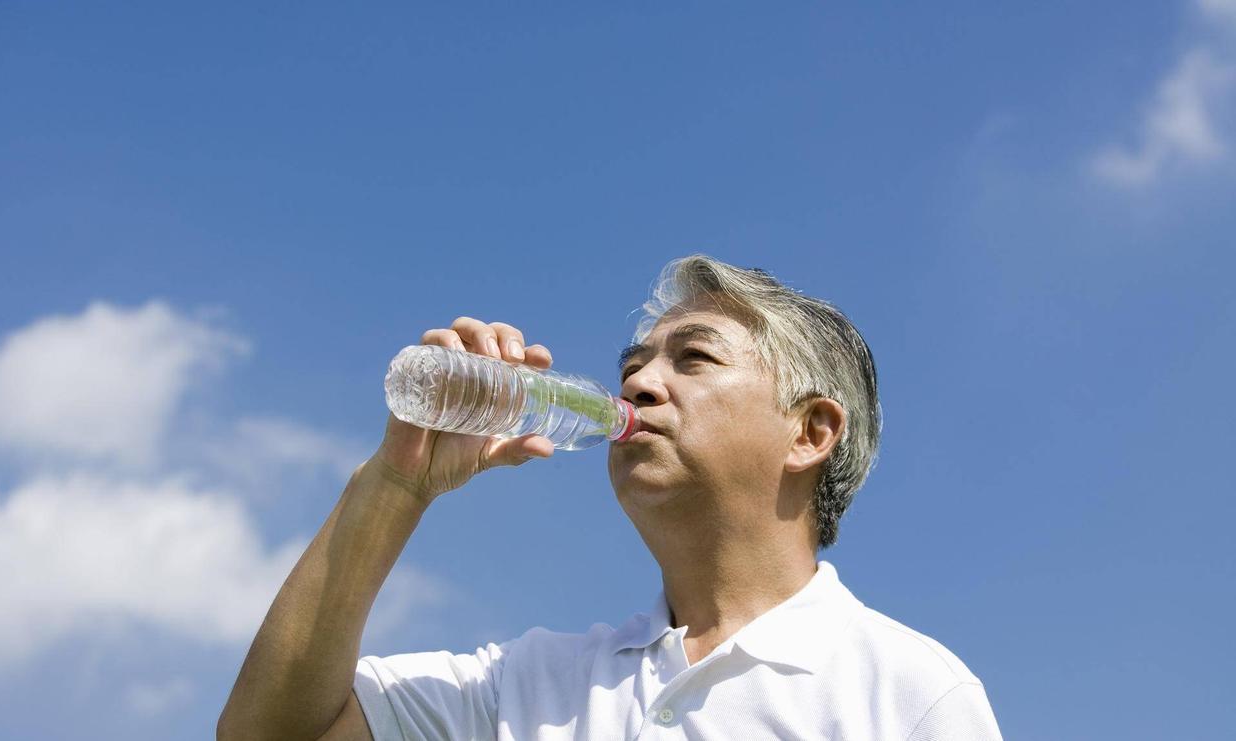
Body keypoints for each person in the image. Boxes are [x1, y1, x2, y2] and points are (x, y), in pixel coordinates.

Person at [218, 255, 1003, 740]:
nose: (639, 383)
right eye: (634, 364)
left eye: (693, 358)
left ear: (810, 431)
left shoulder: (908, 695)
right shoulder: (526, 686)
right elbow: (272, 732)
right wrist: (395, 484)